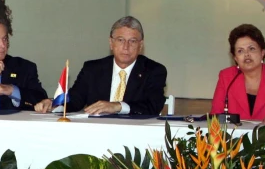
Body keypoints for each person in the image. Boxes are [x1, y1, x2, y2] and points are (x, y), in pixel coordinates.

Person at [35, 16, 167, 115]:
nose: (126, 47)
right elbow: (75, 100)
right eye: (120, 40)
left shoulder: (154, 71)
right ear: (111, 43)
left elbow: (153, 105)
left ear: (140, 45)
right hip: (96, 133)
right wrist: (53, 104)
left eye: (132, 41)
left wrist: (117, 106)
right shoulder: (92, 69)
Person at [210, 24, 265, 125]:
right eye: (240, 51)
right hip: (235, 138)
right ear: (235, 58)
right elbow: (216, 114)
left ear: (262, 52)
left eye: (251, 49)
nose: (246, 54)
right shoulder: (226, 77)